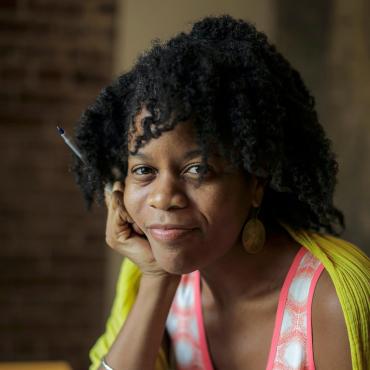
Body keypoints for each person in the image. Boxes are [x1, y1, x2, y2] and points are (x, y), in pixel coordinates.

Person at [71, 15, 369, 370]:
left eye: (198, 169)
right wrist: (157, 281)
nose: (163, 198)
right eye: (144, 171)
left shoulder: (330, 301)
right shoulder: (145, 274)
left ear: (255, 183)